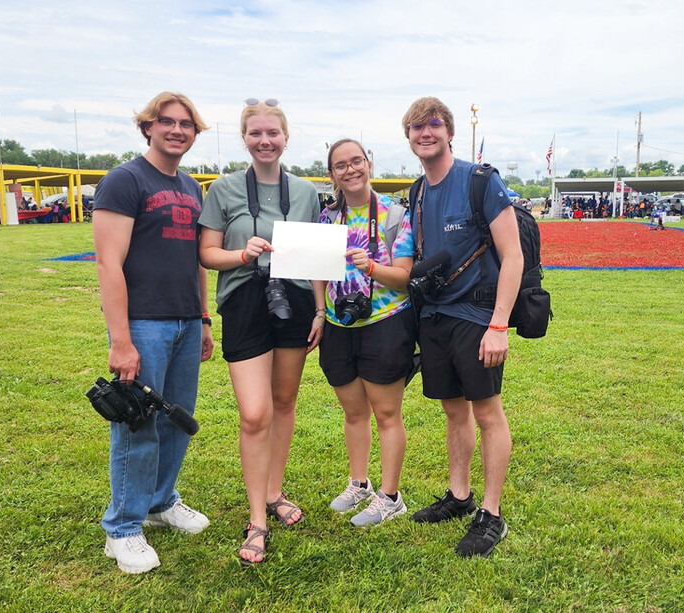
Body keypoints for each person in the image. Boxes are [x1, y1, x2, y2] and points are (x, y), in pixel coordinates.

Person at [198, 98, 325, 566]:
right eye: (256, 133)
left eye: (273, 133)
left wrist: (318, 309)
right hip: (246, 299)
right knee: (255, 413)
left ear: (286, 138)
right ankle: (257, 519)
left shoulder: (306, 192)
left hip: (293, 301)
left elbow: (315, 258)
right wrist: (241, 255)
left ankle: (274, 491)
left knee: (285, 401)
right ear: (244, 138)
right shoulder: (225, 189)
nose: (265, 140)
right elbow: (207, 253)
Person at [92, 91, 214, 574]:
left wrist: (203, 319)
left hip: (186, 321)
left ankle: (161, 502)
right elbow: (108, 263)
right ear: (148, 127)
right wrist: (121, 340)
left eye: (186, 124)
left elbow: (197, 262)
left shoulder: (191, 186)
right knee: (136, 422)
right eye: (167, 122)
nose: (177, 130)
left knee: (174, 419)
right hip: (144, 322)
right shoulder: (124, 180)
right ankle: (122, 528)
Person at [401, 97, 521, 558]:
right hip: (434, 316)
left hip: (476, 316)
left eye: (432, 124)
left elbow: (512, 255)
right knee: (454, 411)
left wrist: (499, 325)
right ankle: (459, 495)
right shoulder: (417, 191)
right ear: (408, 138)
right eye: (415, 127)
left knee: (487, 413)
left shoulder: (480, 181)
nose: (424, 133)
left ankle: (491, 514)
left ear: (449, 131)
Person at [318, 138, 416, 527]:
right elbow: (319, 272)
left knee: (387, 412)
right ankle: (359, 483)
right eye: (340, 165)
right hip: (339, 324)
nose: (350, 169)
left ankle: (390, 497)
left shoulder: (395, 215)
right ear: (332, 175)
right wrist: (317, 312)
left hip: (385, 321)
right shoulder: (327, 218)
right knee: (353, 411)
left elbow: (406, 278)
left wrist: (371, 267)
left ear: (369, 163)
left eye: (356, 161)